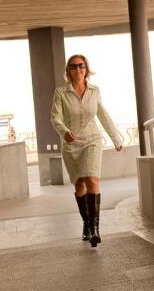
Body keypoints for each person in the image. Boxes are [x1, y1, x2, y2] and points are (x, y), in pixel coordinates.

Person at [50, 54, 123, 248]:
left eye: (81, 66)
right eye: (73, 66)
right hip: (71, 143)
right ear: (68, 71)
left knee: (92, 179)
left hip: (92, 139)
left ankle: (95, 229)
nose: (78, 69)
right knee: (80, 185)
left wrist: (116, 138)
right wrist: (64, 132)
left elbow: (102, 114)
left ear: (86, 68)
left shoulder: (94, 90)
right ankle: (86, 223)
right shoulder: (61, 93)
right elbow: (55, 117)